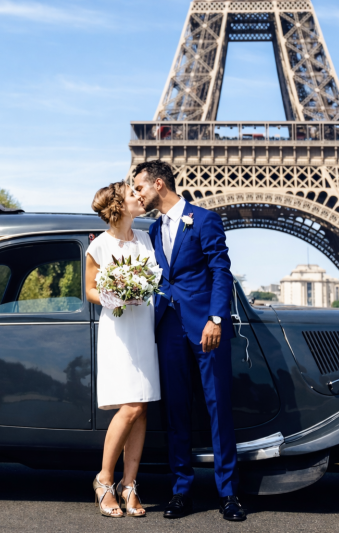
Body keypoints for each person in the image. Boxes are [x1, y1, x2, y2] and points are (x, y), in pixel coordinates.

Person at [132, 160, 246, 522]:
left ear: (159, 184)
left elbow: (220, 270)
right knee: (176, 411)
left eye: (140, 187)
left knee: (218, 408)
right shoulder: (152, 230)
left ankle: (228, 493)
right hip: (168, 327)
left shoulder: (204, 219)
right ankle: (181, 490)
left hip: (206, 327)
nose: (137, 194)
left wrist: (216, 318)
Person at [85, 181, 160, 518]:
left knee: (141, 407)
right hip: (118, 330)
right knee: (130, 406)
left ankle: (129, 485)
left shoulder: (145, 238)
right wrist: (113, 296)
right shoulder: (99, 246)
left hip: (143, 327)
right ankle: (104, 479)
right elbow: (89, 289)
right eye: (133, 193)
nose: (140, 196)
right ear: (119, 205)